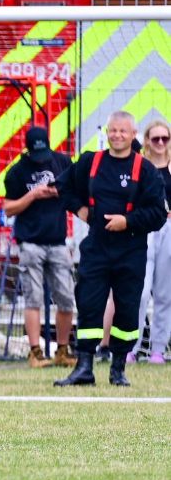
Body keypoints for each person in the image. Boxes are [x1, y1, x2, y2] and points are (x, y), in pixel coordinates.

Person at [55, 111, 166, 387]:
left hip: (131, 248)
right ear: (107, 131)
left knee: (127, 308)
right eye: (113, 130)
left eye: (123, 131)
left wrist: (127, 221)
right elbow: (63, 185)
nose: (117, 135)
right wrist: (79, 208)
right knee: (89, 304)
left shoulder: (146, 170)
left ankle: (118, 369)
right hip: (96, 246)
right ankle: (84, 368)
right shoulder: (91, 162)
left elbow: (158, 214)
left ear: (133, 134)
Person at [3, 125, 76, 369]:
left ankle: (62, 350)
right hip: (30, 242)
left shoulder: (63, 162)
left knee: (66, 298)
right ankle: (35, 352)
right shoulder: (16, 172)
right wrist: (32, 195)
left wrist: (59, 192)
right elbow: (8, 208)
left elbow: (76, 192)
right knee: (33, 298)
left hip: (57, 241)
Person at [135, 119, 171, 363]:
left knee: (164, 293)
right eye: (155, 138)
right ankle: (131, 347)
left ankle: (158, 348)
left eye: (165, 138)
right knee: (140, 291)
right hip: (146, 228)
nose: (160, 143)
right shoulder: (141, 166)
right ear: (147, 140)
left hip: (168, 228)